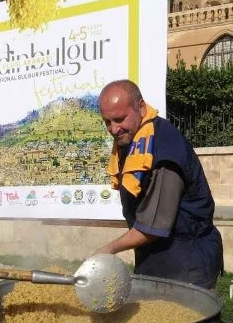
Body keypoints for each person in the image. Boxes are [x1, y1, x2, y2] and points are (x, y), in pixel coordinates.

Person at [94, 80, 223, 289]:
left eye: (119, 119)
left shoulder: (165, 153)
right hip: (156, 260)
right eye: (107, 122)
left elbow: (153, 227)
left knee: (185, 321)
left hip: (186, 264)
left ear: (141, 108)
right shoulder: (134, 141)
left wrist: (107, 250)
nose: (114, 129)